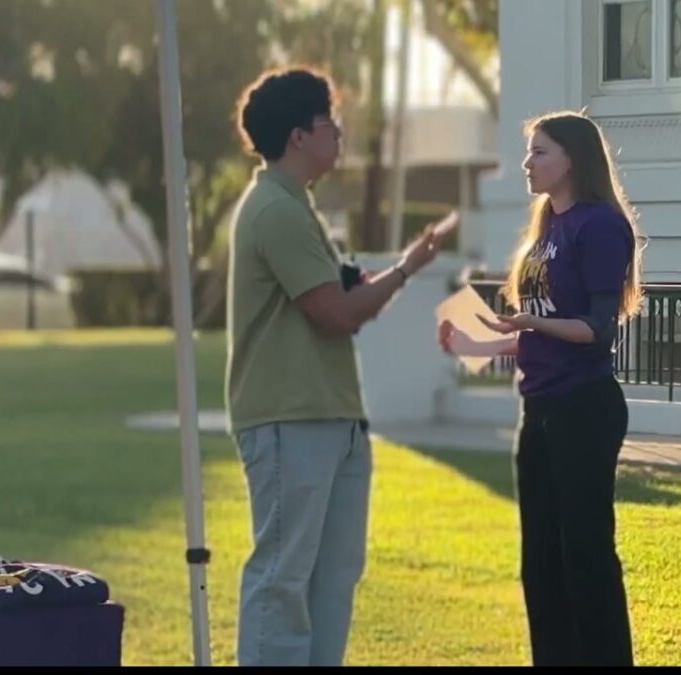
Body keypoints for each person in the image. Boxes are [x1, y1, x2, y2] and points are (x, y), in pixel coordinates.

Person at [228, 66, 454, 667]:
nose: (340, 133)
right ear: (300, 135)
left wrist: (401, 267)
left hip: (330, 416)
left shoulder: (295, 207)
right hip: (289, 417)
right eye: (330, 121)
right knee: (283, 576)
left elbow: (339, 298)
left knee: (332, 579)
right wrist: (406, 270)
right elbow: (336, 313)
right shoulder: (274, 211)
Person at [439, 111, 642, 666]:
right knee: (541, 562)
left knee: (585, 555)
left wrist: (529, 325)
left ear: (572, 159)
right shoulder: (545, 227)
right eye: (529, 153)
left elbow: (595, 332)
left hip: (585, 406)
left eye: (540, 153)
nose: (528, 164)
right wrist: (479, 344)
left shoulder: (598, 225)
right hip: (541, 405)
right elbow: (537, 332)